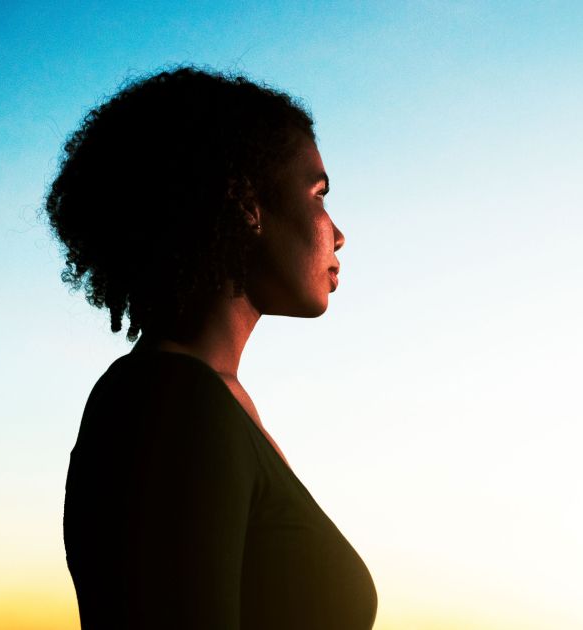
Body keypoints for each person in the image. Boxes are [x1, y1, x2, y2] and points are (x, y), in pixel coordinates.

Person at [45, 67, 377, 629]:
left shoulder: (205, 399)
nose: (337, 233)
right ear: (247, 204)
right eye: (318, 194)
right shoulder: (170, 403)